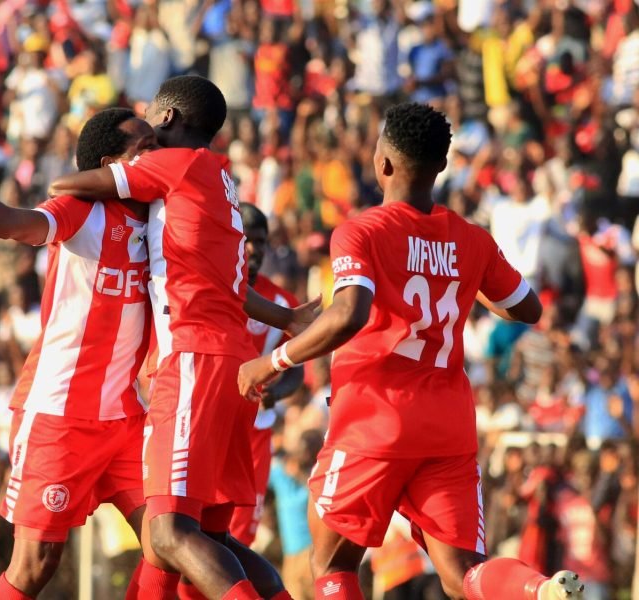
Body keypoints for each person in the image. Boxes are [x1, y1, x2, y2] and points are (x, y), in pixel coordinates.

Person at [237, 102, 584, 600]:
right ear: (441, 166)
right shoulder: (472, 239)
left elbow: (350, 312)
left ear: (382, 162)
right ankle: (535, 589)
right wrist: (464, 279)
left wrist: (272, 361)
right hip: (447, 426)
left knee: (332, 563)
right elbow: (527, 309)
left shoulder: (361, 231)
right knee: (462, 571)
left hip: (373, 420)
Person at [50, 75, 313, 600]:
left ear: (167, 117)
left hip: (194, 359)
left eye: (149, 116)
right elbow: (230, 285)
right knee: (213, 537)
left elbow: (70, 185)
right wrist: (285, 321)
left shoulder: (175, 164)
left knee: (167, 534)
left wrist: (122, 176)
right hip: (232, 362)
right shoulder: (219, 180)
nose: (145, 127)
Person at [0, 107, 158, 599]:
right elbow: (15, 223)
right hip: (59, 414)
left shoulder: (161, 216)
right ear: (110, 164)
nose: (158, 154)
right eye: (144, 147)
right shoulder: (84, 210)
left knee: (168, 542)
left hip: (127, 416)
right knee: (35, 564)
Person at [227, 203, 305, 547]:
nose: (253, 249)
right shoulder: (214, 290)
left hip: (255, 433)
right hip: (212, 421)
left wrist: (277, 392)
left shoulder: (283, 304)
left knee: (241, 534)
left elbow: (297, 373)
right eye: (246, 240)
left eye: (259, 241)